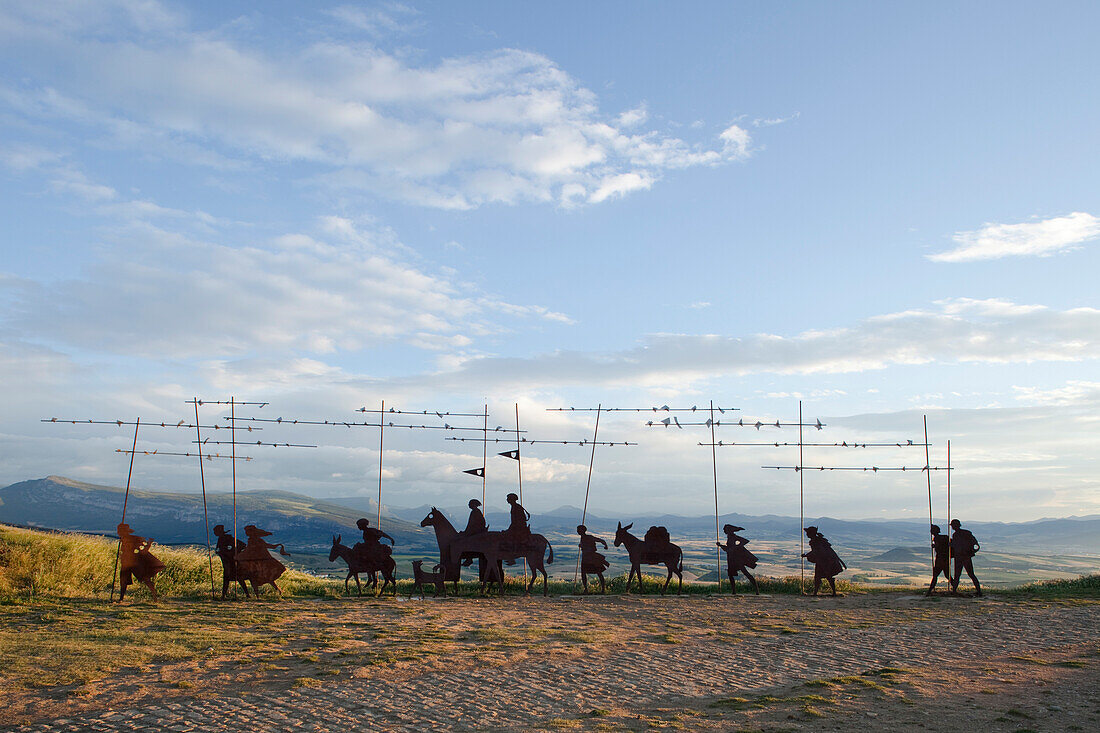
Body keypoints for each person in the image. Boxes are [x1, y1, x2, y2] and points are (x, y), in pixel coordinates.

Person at [116, 523, 166, 602]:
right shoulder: (122, 539)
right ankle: (121, 599)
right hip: (125, 562)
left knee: (145, 579)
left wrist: (149, 543)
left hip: (134, 562)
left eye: (121, 531)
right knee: (123, 581)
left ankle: (155, 596)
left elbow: (144, 551)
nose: (119, 532)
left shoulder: (134, 539)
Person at [235, 525, 290, 595]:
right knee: (266, 578)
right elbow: (266, 546)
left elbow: (248, 550)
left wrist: (238, 556)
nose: (246, 533)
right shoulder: (256, 540)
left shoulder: (253, 540)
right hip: (260, 561)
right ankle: (277, 591)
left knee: (254, 578)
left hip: (257, 563)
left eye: (247, 531)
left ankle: (258, 595)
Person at [802, 526, 846, 596]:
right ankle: (816, 593)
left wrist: (806, 555)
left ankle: (833, 593)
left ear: (811, 533)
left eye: (807, 533)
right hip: (821, 561)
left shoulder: (817, 541)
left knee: (827, 576)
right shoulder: (815, 540)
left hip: (826, 562)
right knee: (818, 577)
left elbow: (817, 551)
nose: (806, 534)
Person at [716, 524, 759, 595]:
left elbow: (745, 541)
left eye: (725, 530)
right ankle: (734, 591)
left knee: (745, 573)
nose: (724, 531)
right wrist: (720, 545)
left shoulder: (733, 537)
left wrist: (737, 547)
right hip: (731, 558)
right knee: (731, 574)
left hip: (736, 559)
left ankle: (756, 590)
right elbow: (728, 548)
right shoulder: (730, 537)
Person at [213, 524, 249, 598]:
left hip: (233, 562)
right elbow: (218, 549)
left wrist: (233, 551)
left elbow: (243, 545)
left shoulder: (229, 538)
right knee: (228, 578)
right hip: (226, 562)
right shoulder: (220, 539)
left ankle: (247, 594)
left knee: (237, 578)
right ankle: (223, 595)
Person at [949, 519, 982, 596]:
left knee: (957, 575)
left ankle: (954, 591)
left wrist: (950, 544)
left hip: (960, 557)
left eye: (953, 526)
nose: (952, 527)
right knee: (970, 574)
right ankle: (979, 591)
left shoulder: (956, 535)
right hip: (966, 556)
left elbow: (956, 545)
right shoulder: (967, 533)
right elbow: (975, 544)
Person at [578, 524, 610, 594]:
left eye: (579, 530)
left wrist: (605, 545)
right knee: (584, 573)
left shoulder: (589, 537)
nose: (577, 531)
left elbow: (601, 540)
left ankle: (603, 590)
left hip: (592, 558)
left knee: (598, 573)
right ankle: (586, 589)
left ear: (582, 530)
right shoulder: (582, 538)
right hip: (586, 558)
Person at [504, 492, 531, 564]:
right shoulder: (515, 506)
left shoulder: (516, 507)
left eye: (508, 498)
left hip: (519, 528)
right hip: (518, 527)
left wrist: (509, 530)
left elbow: (516, 521)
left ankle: (512, 556)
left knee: (509, 538)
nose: (507, 500)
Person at [460, 498, 488, 567]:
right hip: (475, 531)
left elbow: (471, 524)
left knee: (466, 541)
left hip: (476, 532)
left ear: (474, 505)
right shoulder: (476, 511)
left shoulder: (475, 512)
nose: (469, 505)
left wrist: (466, 532)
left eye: (470, 504)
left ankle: (469, 558)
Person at [925, 524, 951, 596]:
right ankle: (954, 588)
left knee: (936, 575)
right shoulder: (945, 537)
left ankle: (929, 591)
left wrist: (935, 546)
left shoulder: (937, 539)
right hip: (944, 558)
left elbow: (940, 547)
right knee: (947, 575)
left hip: (940, 559)